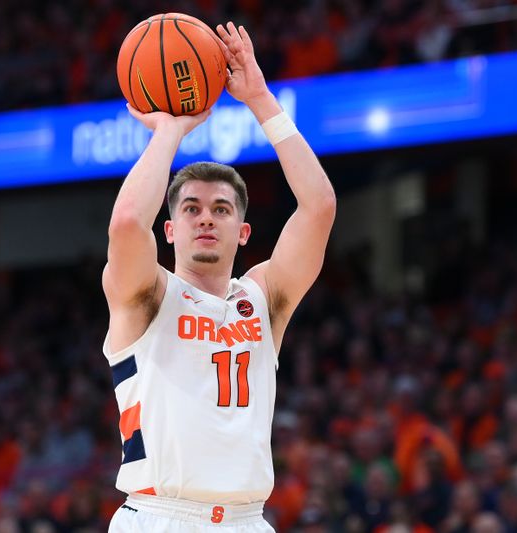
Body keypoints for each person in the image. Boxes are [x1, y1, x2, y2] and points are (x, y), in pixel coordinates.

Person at [101, 20, 336, 533]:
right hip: (160, 515)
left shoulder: (264, 296)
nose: (206, 217)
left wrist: (261, 100)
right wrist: (169, 132)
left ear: (244, 231)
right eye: (191, 208)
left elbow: (318, 208)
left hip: (247, 520)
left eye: (221, 209)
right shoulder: (146, 295)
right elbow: (124, 223)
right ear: (169, 230)